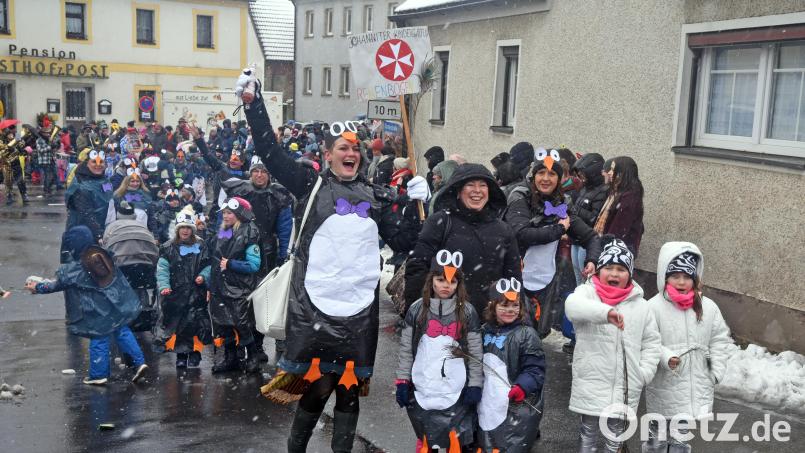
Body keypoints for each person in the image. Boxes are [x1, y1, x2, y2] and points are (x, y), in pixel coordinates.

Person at [236, 69, 427, 453]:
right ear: (327, 154)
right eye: (342, 147)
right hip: (315, 309)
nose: (351, 153)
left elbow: (407, 241)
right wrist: (254, 107)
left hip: (359, 313)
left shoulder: (376, 195)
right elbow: (271, 154)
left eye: (355, 148)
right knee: (319, 385)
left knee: (349, 390)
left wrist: (423, 204)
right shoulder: (310, 185)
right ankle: (297, 448)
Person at [565, 237, 661, 453]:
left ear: (630, 273)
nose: (614, 274)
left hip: (625, 386)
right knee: (588, 434)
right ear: (599, 270)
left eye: (621, 269)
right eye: (608, 267)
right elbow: (572, 306)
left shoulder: (642, 306)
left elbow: (652, 343)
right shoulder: (587, 292)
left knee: (616, 438)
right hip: (591, 381)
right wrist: (604, 313)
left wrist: (643, 373)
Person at [25, 226, 148, 385]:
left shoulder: (75, 268)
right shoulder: (103, 256)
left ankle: (98, 375)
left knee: (99, 339)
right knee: (122, 332)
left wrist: (38, 287)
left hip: (96, 310)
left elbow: (56, 285)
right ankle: (140, 363)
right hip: (114, 305)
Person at [643, 242, 732, 453]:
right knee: (658, 441)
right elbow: (646, 340)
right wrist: (665, 357)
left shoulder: (708, 307)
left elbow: (720, 339)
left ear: (695, 278)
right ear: (665, 276)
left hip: (693, 392)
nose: (682, 282)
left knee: (681, 443)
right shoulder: (653, 307)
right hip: (663, 389)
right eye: (675, 276)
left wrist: (715, 371)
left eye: (687, 276)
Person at [505, 151, 601, 337]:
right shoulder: (520, 196)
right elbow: (522, 233)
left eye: (552, 174)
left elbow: (591, 237)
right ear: (534, 175)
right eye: (541, 173)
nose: (546, 179)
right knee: (513, 332)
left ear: (558, 178)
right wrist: (558, 230)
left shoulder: (561, 203)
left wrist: (592, 260)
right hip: (515, 276)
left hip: (546, 280)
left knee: (538, 333)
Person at [406, 163, 522, 318]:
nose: (477, 191)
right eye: (470, 185)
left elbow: (513, 278)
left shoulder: (503, 230)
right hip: (444, 319)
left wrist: (514, 318)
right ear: (458, 191)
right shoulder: (440, 222)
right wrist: (418, 312)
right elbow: (418, 268)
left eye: (483, 185)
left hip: (487, 321)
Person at [396, 250, 483, 451]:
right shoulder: (417, 310)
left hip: (457, 386)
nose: (446, 285)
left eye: (452, 282)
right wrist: (402, 380)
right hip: (424, 383)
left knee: (455, 437)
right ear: (431, 280)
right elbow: (406, 349)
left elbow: (475, 351)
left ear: (458, 284)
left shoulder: (467, 312)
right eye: (441, 279)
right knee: (427, 435)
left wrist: (475, 384)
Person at [220, 156, 294, 362]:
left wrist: (282, 255)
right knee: (236, 299)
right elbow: (226, 221)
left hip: (267, 252)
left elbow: (284, 227)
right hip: (238, 250)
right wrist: (222, 245)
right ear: (250, 173)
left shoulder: (278, 194)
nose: (259, 175)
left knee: (260, 298)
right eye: (255, 171)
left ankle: (258, 345)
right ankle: (237, 348)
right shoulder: (240, 192)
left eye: (263, 171)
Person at [477, 277, 546, 453]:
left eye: (515, 305)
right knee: (487, 442)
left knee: (510, 443)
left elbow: (535, 368)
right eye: (504, 305)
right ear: (493, 306)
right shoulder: (484, 330)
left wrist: (523, 386)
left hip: (516, 402)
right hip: (489, 400)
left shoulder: (527, 334)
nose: (510, 310)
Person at [208, 196, 262, 373]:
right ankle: (230, 359)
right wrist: (211, 286)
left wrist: (231, 264)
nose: (225, 216)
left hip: (240, 287)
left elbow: (254, 265)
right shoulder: (223, 231)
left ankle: (253, 356)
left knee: (242, 323)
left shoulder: (249, 231)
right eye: (224, 212)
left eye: (229, 213)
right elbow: (215, 262)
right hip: (220, 286)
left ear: (238, 214)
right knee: (223, 323)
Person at [154, 211, 212, 368]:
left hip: (195, 291)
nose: (185, 231)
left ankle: (194, 352)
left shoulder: (201, 246)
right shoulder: (168, 248)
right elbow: (163, 269)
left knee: (194, 323)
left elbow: (208, 265)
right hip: (176, 293)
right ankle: (180, 353)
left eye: (188, 227)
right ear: (177, 229)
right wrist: (165, 286)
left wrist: (203, 276)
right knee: (178, 323)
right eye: (182, 228)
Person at [63, 149, 115, 261]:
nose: (98, 165)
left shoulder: (104, 180)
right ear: (87, 163)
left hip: (104, 229)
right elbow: (86, 213)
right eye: (94, 162)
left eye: (101, 162)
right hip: (85, 234)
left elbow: (110, 199)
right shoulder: (80, 185)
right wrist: (98, 234)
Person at [594, 156, 644, 257]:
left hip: (617, 251)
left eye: (613, 169)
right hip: (611, 246)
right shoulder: (617, 192)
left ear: (623, 172)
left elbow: (619, 229)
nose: (609, 172)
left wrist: (606, 247)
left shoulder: (630, 196)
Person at [570, 153, 608, 285]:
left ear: (592, 173)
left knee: (586, 277)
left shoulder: (603, 191)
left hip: (587, 242)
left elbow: (594, 218)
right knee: (577, 275)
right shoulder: (584, 188)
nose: (580, 178)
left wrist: (576, 211)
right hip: (575, 239)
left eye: (582, 174)